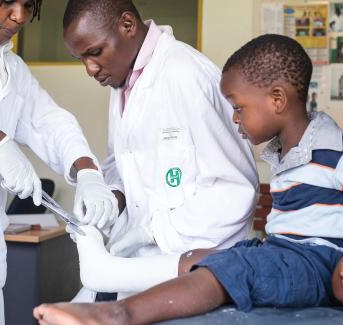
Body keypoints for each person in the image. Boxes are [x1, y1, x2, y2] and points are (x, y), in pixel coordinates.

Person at [34, 34, 343, 325]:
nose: (235, 118)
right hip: (282, 251)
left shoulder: (336, 149)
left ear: (277, 100)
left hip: (316, 262)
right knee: (204, 258)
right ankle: (107, 277)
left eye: (239, 108)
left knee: (231, 269)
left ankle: (117, 314)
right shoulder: (284, 152)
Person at [61, 0, 258, 301]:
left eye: (95, 52)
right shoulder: (124, 82)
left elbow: (235, 191)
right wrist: (111, 198)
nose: (90, 68)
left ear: (127, 26)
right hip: (137, 269)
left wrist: (153, 231)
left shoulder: (187, 74)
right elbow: (123, 160)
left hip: (188, 271)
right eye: (81, 59)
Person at [0, 1, 121, 324]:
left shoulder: (12, 68)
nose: (19, 16)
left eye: (29, 5)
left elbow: (50, 123)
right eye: (7, 1)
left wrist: (88, 171)